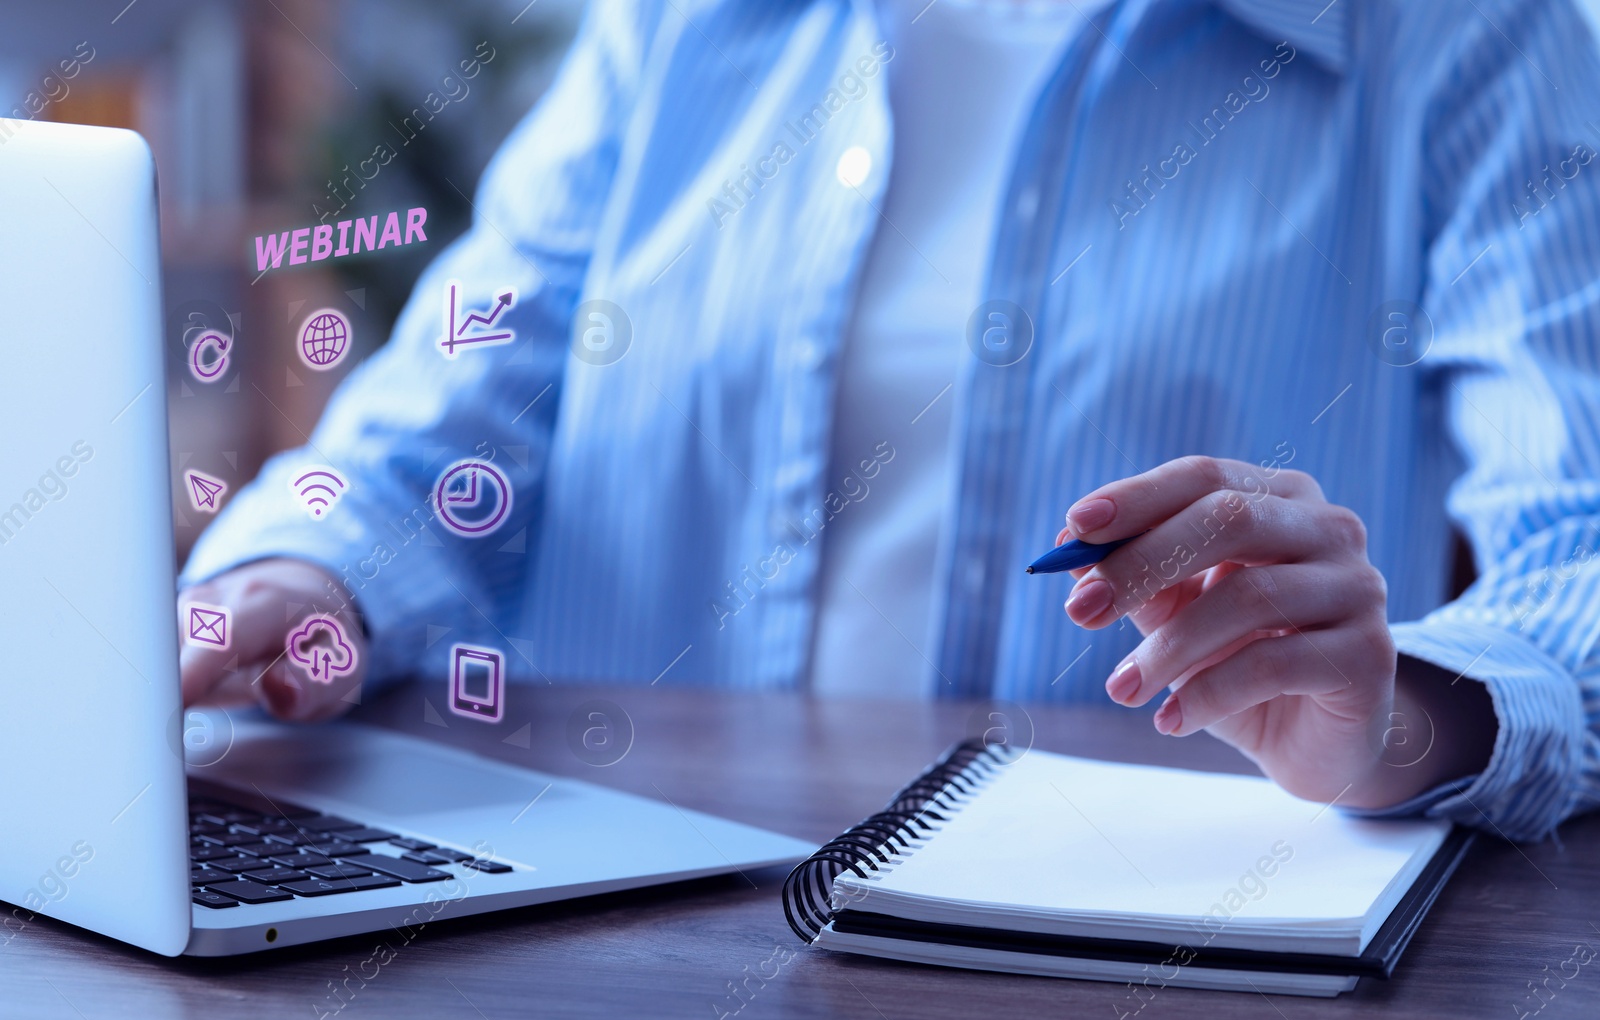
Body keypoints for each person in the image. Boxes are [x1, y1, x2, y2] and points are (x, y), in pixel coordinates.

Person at [180, 0, 1600, 842]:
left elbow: (1581, 553)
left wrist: (1403, 715)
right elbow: (443, 426)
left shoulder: (1463, 37)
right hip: (606, 958)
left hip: (1154, 988)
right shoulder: (675, 26)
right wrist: (294, 580)